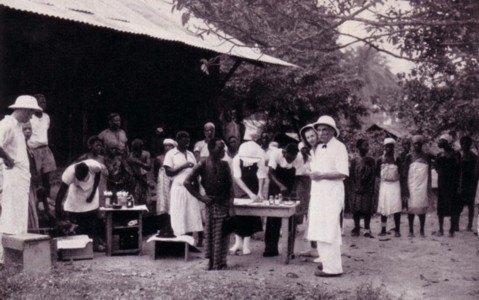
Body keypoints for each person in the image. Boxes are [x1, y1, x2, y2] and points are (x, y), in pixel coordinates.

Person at [0, 95, 42, 263]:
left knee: (19, 218)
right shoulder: (6, 124)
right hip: (13, 175)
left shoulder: (18, 127)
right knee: (10, 217)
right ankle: (4, 258)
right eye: (30, 112)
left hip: (21, 177)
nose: (31, 116)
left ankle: (15, 258)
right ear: (23, 110)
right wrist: (8, 158)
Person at [184, 137, 235, 270]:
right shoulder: (202, 164)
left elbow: (230, 188)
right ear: (212, 149)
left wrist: (231, 206)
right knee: (211, 234)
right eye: (220, 147)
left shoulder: (225, 165)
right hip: (211, 204)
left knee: (223, 235)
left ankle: (221, 262)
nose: (223, 150)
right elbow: (187, 182)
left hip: (223, 203)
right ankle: (211, 262)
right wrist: (201, 197)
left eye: (223, 147)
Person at [307, 116, 348, 277]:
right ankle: (326, 262)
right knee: (320, 229)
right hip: (319, 194)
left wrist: (322, 175)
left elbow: (343, 172)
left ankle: (333, 268)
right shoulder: (318, 148)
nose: (321, 132)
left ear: (332, 131)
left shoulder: (339, 147)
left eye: (325, 129)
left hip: (331, 194)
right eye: (319, 129)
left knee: (330, 229)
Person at [55, 160, 107, 251]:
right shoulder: (68, 174)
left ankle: (94, 245)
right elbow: (60, 195)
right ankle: (79, 247)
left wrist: (92, 194)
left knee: (93, 218)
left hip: (92, 189)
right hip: (76, 192)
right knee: (77, 220)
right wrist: (58, 212)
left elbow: (97, 179)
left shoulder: (94, 166)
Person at [264, 143, 303, 257]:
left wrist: (294, 191)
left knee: (291, 219)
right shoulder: (276, 154)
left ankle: (289, 251)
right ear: (284, 153)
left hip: (290, 185)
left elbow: (298, 177)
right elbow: (270, 173)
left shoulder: (299, 157)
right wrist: (280, 186)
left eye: (293, 158)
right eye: (289, 158)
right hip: (275, 184)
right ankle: (271, 249)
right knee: (273, 217)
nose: (291, 160)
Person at [163, 131, 203, 238]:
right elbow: (168, 172)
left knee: (191, 215)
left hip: (190, 188)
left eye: (188, 141)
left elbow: (195, 170)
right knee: (179, 214)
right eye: (184, 141)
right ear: (178, 141)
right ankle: (179, 241)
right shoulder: (171, 154)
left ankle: (189, 241)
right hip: (178, 187)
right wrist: (183, 166)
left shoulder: (190, 154)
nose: (187, 143)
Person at [230, 140, 266, 255]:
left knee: (250, 215)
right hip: (240, 186)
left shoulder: (260, 158)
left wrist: (259, 191)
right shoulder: (236, 159)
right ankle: (238, 243)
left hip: (254, 185)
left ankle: (246, 244)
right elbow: (237, 178)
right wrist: (249, 193)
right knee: (238, 214)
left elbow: (261, 175)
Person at [28, 94, 57, 200]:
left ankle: (47, 199)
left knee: (46, 177)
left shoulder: (46, 117)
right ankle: (36, 200)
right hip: (33, 149)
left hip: (45, 149)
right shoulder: (30, 118)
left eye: (44, 102)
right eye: (41, 102)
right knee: (36, 177)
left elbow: (45, 131)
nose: (44, 104)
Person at [296, 124, 318, 257]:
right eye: (302, 149)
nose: (304, 150)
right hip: (303, 186)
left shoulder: (313, 154)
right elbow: (299, 172)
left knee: (314, 217)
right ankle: (312, 246)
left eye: (311, 136)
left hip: (312, 185)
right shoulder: (300, 158)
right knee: (307, 216)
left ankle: (316, 248)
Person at [435, 134, 461, 237]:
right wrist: (441, 172)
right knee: (441, 206)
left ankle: (451, 230)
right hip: (442, 183)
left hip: (453, 183)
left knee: (453, 206)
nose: (439, 142)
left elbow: (459, 170)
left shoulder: (455, 154)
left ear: (447, 142)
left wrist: (459, 185)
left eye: (442, 141)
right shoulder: (439, 155)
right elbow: (436, 167)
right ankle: (441, 229)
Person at [349, 138, 376, 238]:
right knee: (356, 208)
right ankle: (356, 228)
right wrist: (355, 187)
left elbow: (372, 175)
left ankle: (367, 229)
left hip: (367, 188)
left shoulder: (370, 160)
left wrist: (366, 187)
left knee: (367, 208)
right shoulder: (354, 160)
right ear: (359, 147)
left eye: (368, 145)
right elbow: (351, 175)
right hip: (356, 188)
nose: (367, 148)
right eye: (365, 145)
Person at [406, 135, 432, 237]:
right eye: (415, 143)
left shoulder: (426, 156)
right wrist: (406, 188)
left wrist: (428, 186)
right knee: (411, 208)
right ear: (413, 145)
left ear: (422, 144)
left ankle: (421, 230)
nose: (417, 145)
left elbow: (428, 172)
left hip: (423, 185)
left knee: (422, 208)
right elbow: (405, 172)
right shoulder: (409, 156)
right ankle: (411, 230)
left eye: (419, 144)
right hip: (412, 185)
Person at [376, 138, 402, 237]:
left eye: (391, 146)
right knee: (383, 207)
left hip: (395, 184)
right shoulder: (380, 159)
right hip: (384, 185)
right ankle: (383, 229)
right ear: (384, 147)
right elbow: (377, 173)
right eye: (387, 146)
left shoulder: (397, 159)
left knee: (396, 206)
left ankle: (397, 230)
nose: (389, 148)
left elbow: (401, 172)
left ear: (393, 147)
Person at [155, 138, 176, 236]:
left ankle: (172, 229)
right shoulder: (159, 158)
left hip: (173, 183)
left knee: (173, 205)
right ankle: (163, 228)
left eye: (169, 145)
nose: (167, 147)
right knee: (163, 205)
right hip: (163, 184)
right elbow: (156, 173)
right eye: (165, 145)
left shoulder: (176, 157)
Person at [458, 136, 478, 231]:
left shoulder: (474, 157)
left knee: (470, 204)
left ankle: (469, 224)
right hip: (460, 182)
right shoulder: (458, 155)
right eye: (463, 143)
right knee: (459, 203)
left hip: (470, 183)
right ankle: (456, 223)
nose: (464, 145)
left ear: (469, 145)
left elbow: (477, 171)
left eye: (466, 144)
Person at [128, 139, 151, 206]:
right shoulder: (130, 155)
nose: (137, 153)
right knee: (135, 197)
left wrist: (137, 162)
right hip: (134, 179)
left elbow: (149, 167)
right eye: (135, 150)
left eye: (138, 150)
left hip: (144, 178)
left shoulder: (146, 154)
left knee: (145, 199)